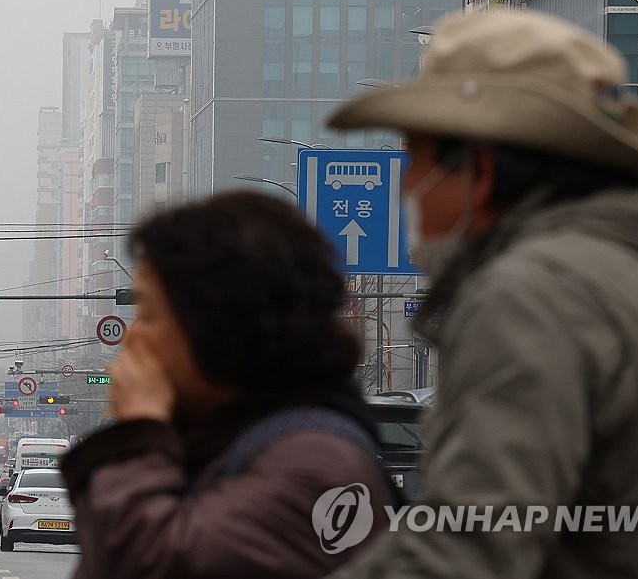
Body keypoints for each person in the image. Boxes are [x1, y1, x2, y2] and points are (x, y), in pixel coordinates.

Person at [324, 9, 638, 578]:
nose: (404, 186)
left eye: (413, 159)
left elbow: (464, 551)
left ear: (481, 170)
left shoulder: (531, 296)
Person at [61, 191, 394, 579]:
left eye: (149, 315)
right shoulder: (213, 441)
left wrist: (138, 434)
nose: (133, 337)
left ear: (219, 326)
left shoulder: (316, 466)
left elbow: (151, 562)